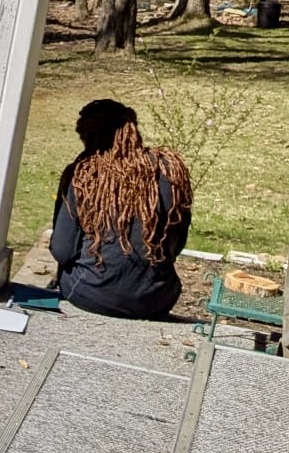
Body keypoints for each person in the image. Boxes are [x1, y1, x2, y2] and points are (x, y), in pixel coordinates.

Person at [49, 99, 194, 320]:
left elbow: (62, 251)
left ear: (89, 136)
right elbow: (176, 245)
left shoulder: (83, 175)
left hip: (88, 293)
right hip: (156, 299)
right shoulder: (170, 170)